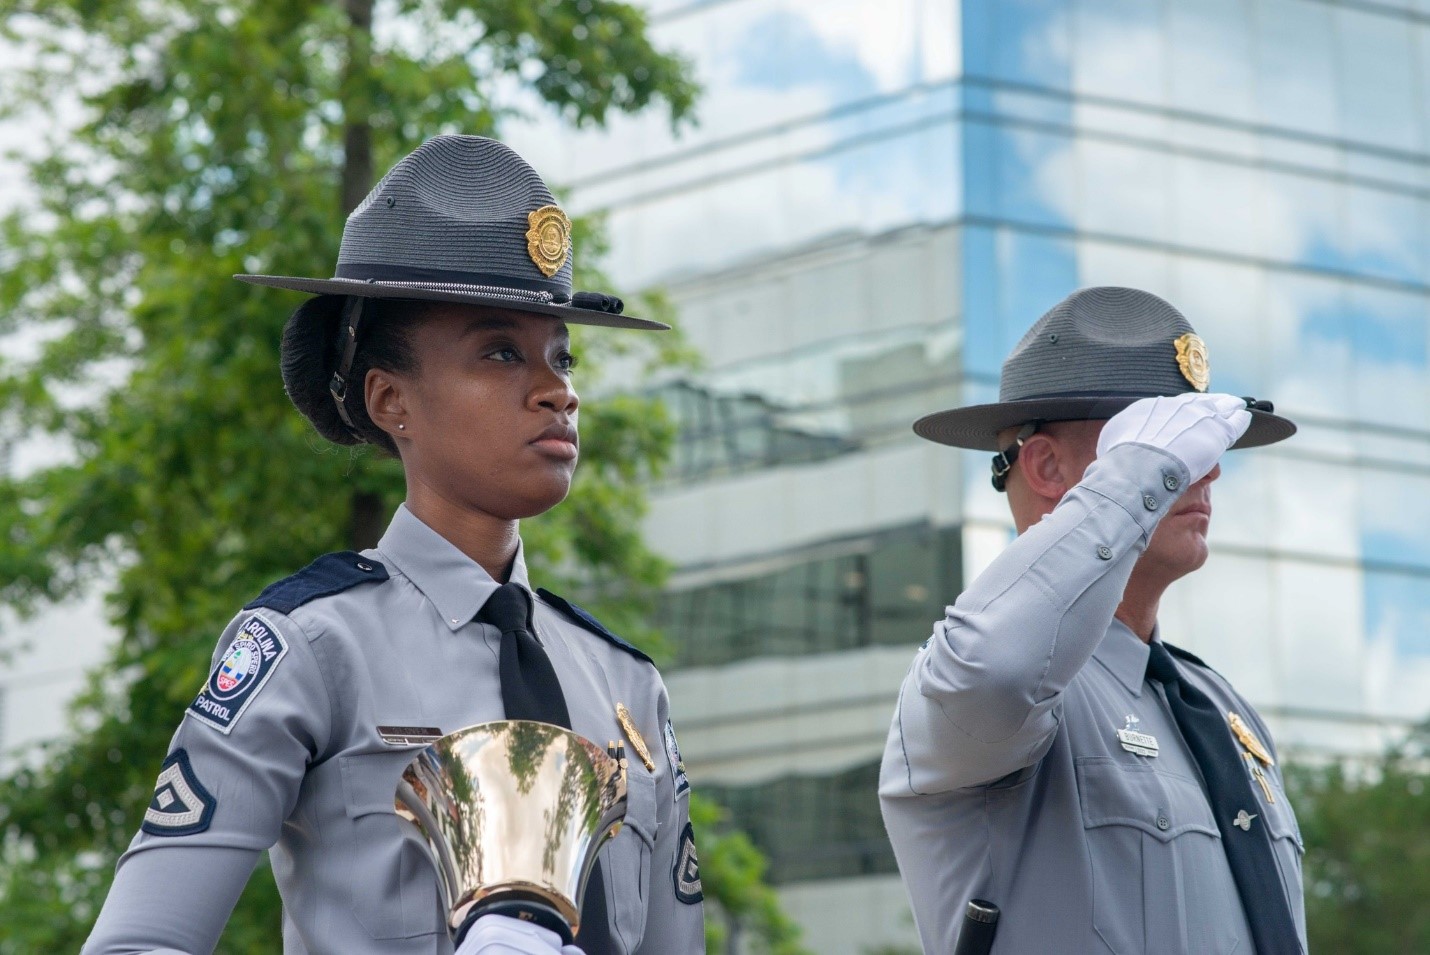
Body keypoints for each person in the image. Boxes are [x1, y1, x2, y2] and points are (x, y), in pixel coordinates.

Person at [83, 136, 704, 955]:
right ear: (390, 400)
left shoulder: (626, 682)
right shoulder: (310, 644)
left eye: (561, 355)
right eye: (500, 351)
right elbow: (139, 942)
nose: (559, 389)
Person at [878, 287, 1307, 954]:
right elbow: (997, 666)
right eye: (1165, 439)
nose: (1205, 468)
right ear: (1046, 465)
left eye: (1196, 440)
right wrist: (1138, 477)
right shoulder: (994, 688)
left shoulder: (1223, 710)